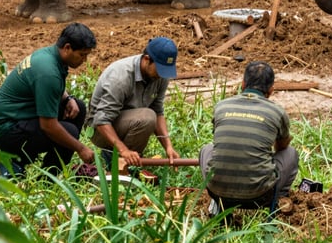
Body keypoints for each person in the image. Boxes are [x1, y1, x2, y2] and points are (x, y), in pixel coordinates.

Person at [0, 22, 97, 175]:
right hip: (7, 129)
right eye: (82, 55)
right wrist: (81, 148)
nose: (85, 60)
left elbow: (51, 88)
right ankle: (35, 172)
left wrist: (67, 99)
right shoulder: (48, 72)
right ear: (67, 48)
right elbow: (48, 126)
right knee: (70, 132)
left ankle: (44, 167)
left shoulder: (50, 55)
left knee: (78, 108)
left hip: (21, 115)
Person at [199, 60, 299, 212]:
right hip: (259, 196)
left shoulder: (222, 106)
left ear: (243, 84)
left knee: (207, 149)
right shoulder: (276, 112)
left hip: (217, 192)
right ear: (271, 90)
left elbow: (222, 141)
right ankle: (278, 200)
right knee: (291, 153)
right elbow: (282, 147)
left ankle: (217, 205)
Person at [86, 37, 180, 167]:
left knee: (149, 115)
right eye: (160, 70)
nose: (163, 75)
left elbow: (158, 110)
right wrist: (124, 150)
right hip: (99, 129)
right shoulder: (120, 77)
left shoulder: (160, 75)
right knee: (146, 118)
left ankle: (126, 161)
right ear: (147, 59)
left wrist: (168, 146)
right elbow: (101, 120)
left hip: (125, 121)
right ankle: (117, 160)